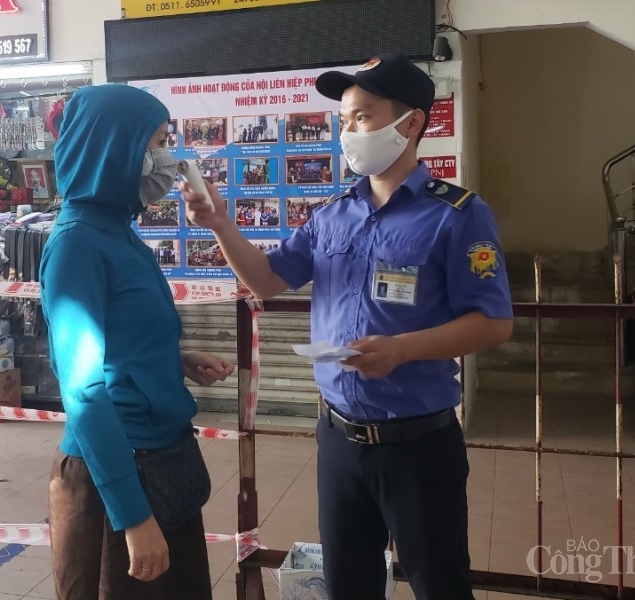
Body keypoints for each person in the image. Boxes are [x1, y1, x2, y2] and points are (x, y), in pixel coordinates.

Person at [180, 53, 513, 600]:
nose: (349, 132)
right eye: (343, 120)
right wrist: (219, 224)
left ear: (411, 122)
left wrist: (402, 349)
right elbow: (266, 280)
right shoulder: (333, 214)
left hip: (418, 444)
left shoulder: (456, 214)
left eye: (362, 116)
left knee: (439, 584)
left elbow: (493, 323)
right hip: (339, 439)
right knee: (348, 584)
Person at [40, 84, 234, 600]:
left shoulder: (118, 230)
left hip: (160, 462)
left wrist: (172, 359)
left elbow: (119, 339)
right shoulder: (77, 244)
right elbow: (84, 390)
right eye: (159, 143)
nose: (168, 160)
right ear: (115, 148)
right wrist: (133, 516)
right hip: (115, 476)